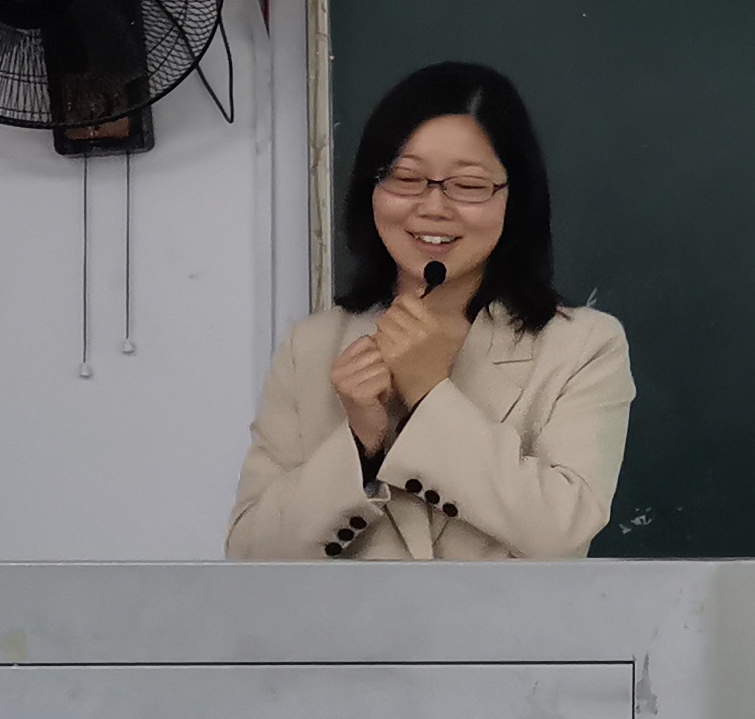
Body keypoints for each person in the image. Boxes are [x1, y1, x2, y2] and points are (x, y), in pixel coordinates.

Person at [227, 60, 633, 562]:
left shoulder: (582, 346)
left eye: (468, 185)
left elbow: (561, 532)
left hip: (506, 620)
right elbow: (250, 554)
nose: (433, 207)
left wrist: (429, 395)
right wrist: (359, 443)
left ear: (515, 198)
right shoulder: (309, 346)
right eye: (406, 178)